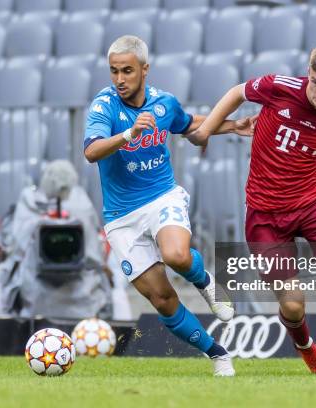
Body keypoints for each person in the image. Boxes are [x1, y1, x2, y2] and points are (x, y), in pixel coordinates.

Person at [187, 44, 316, 375]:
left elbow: (304, 147)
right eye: (314, 81)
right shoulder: (280, 86)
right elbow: (237, 92)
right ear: (308, 74)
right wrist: (205, 130)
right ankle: (307, 349)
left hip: (312, 201)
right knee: (293, 304)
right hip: (265, 214)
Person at [84, 35, 254, 376]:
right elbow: (92, 151)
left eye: (127, 71)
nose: (120, 79)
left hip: (162, 196)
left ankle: (205, 281)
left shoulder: (164, 103)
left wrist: (233, 125)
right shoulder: (103, 107)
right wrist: (129, 134)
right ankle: (217, 353)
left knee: (176, 254)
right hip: (121, 217)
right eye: (114, 71)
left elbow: (188, 124)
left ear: (144, 70)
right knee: (162, 299)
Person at [0, 160, 111, 319]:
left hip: (35, 300)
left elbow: (16, 247)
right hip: (83, 300)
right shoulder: (82, 203)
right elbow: (95, 254)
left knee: (1, 270)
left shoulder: (29, 201)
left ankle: (6, 326)